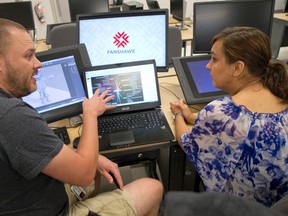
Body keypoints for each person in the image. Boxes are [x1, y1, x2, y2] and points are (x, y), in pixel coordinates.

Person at [0, 18, 163, 216]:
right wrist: (91, 113)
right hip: (51, 209)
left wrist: (90, 161)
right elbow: (84, 175)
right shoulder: (14, 117)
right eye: (29, 56)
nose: (38, 64)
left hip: (31, 197)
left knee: (93, 164)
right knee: (153, 187)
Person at [170, 26, 288, 207]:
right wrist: (195, 117)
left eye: (214, 59)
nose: (208, 66)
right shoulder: (280, 92)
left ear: (238, 68)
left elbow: (187, 142)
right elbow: (245, 126)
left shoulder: (221, 112)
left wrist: (178, 113)